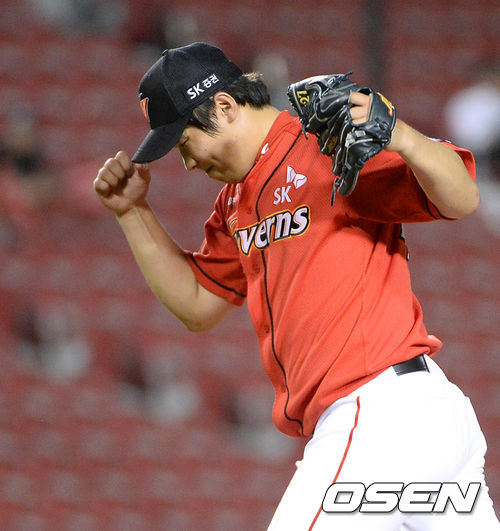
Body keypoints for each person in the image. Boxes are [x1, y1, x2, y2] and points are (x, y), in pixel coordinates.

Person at [94, 43, 499, 530]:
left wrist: (402, 137)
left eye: (184, 143)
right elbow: (198, 304)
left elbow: (462, 198)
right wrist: (133, 212)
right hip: (413, 422)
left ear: (224, 106)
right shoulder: (234, 201)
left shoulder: (324, 146)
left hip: (380, 412)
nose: (188, 164)